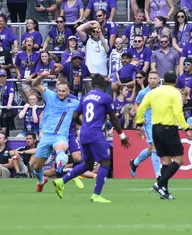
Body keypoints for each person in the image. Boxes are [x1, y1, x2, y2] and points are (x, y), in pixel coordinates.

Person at [53, 75, 130, 203]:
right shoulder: (105, 97)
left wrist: (84, 125)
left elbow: (75, 115)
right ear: (103, 86)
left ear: (93, 85)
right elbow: (113, 118)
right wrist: (122, 136)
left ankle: (62, 181)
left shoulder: (85, 98)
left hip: (83, 133)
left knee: (87, 164)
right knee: (105, 162)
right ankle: (96, 195)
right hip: (95, 134)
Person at [136, 71, 192, 200]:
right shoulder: (175, 92)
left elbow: (141, 107)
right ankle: (159, 183)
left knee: (165, 160)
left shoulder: (153, 92)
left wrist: (139, 123)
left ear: (163, 80)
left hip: (156, 129)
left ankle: (164, 191)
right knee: (179, 159)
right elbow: (178, 112)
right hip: (169, 128)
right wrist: (186, 128)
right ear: (175, 81)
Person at [29, 75, 80, 193]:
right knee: (37, 167)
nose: (61, 93)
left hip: (60, 136)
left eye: (63, 91)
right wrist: (41, 76)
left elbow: (87, 107)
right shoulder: (50, 96)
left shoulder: (74, 103)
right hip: (46, 136)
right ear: (56, 90)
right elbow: (35, 84)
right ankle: (41, 181)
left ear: (68, 91)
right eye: (59, 91)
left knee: (61, 149)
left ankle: (60, 164)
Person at [130, 70, 162, 179]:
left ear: (158, 80)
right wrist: (140, 117)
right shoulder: (143, 93)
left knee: (150, 149)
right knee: (155, 147)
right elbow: (136, 105)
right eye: (151, 78)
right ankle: (158, 176)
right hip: (149, 124)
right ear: (147, 80)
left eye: (155, 78)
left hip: (161, 122)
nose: (152, 80)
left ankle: (134, 162)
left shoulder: (162, 91)